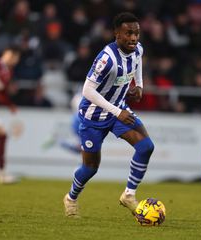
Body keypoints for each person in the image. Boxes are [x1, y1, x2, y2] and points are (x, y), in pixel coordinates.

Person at [63, 12, 155, 217]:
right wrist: (116, 111)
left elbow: (137, 63)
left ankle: (129, 195)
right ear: (116, 34)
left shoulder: (138, 49)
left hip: (118, 110)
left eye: (136, 33)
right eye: (128, 33)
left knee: (146, 146)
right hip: (93, 117)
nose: (133, 38)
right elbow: (87, 91)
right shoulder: (107, 59)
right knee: (90, 168)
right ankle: (71, 198)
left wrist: (139, 86)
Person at [0, 46, 21, 184]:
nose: (13, 59)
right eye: (11, 55)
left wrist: (9, 105)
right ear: (5, 54)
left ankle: (2, 174)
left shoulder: (8, 72)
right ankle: (2, 175)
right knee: (2, 134)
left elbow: (0, 93)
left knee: (2, 135)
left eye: (15, 57)